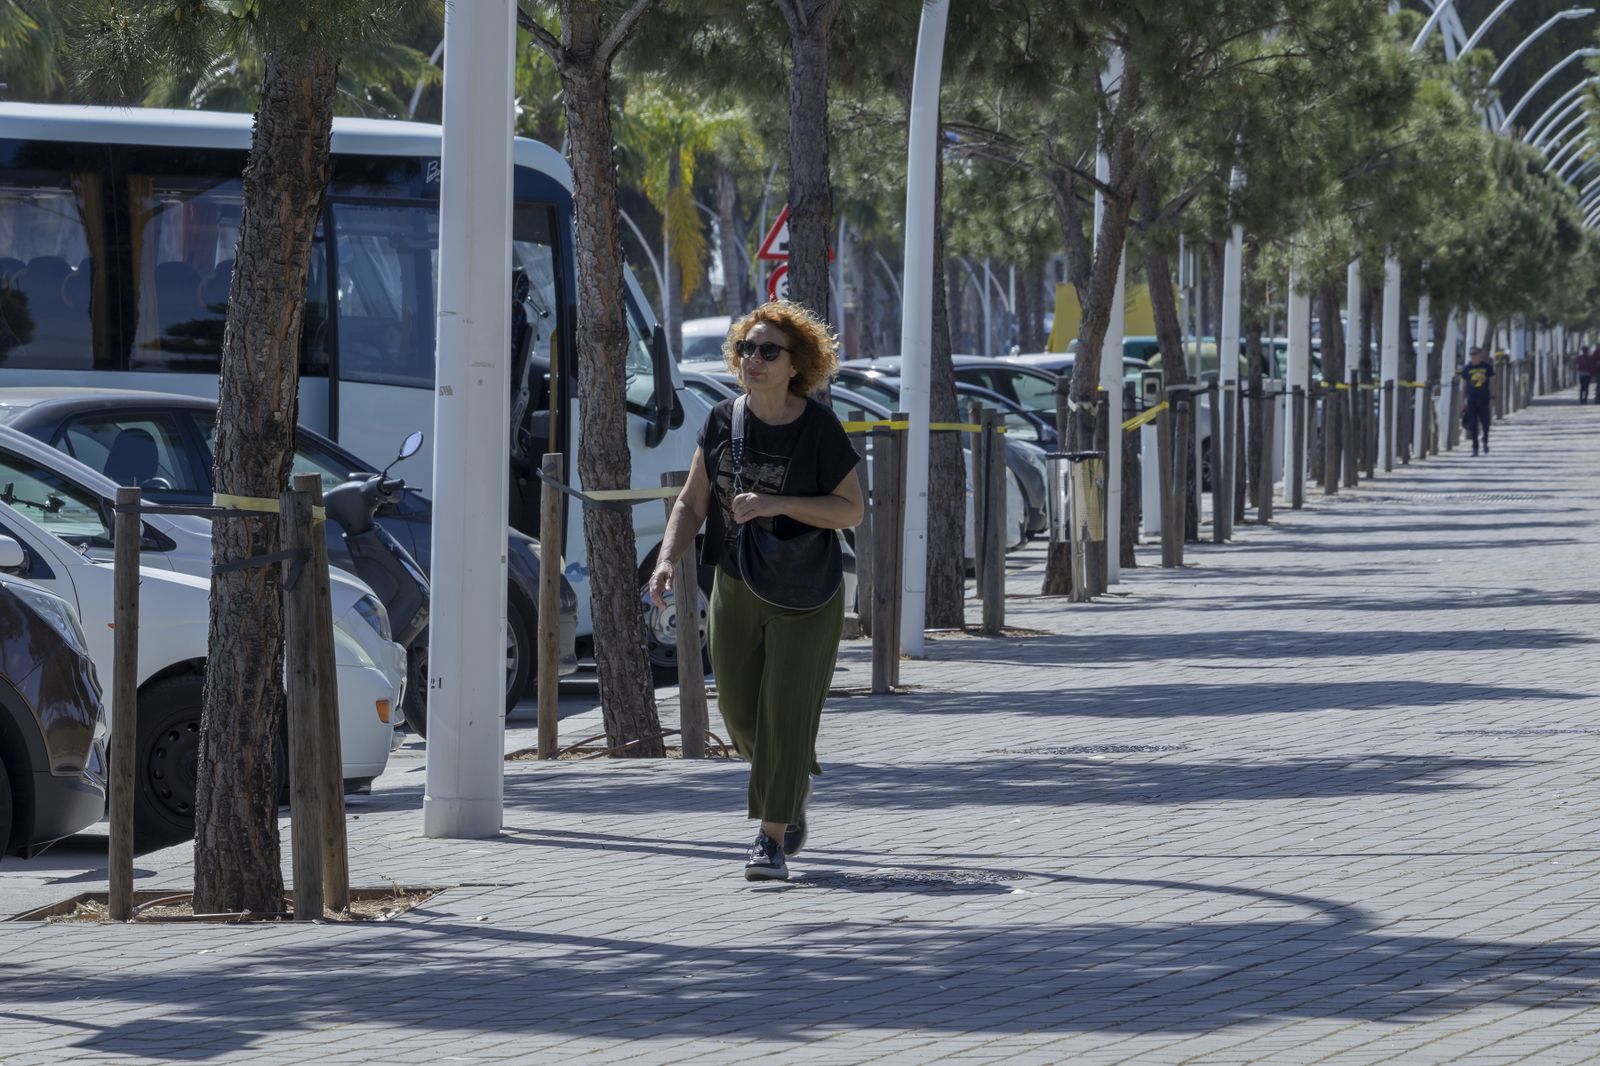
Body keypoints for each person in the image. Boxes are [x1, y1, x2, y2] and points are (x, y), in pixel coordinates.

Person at [649, 301, 863, 882]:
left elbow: (852, 510)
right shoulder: (723, 419)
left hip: (806, 594)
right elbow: (693, 502)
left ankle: (769, 839)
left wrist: (777, 504)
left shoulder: (818, 427)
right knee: (741, 712)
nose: (755, 360)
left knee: (787, 714)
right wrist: (668, 559)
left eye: (770, 351)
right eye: (747, 348)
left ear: (798, 364)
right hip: (736, 584)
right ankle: (786, 786)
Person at [1459, 346, 1495, 456]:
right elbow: (1465, 384)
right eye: (1472, 354)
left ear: (1480, 355)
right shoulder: (1467, 368)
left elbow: (1493, 381)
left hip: (1484, 399)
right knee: (1473, 424)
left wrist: (1493, 396)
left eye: (1475, 354)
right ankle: (1475, 447)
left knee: (1486, 423)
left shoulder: (1486, 367)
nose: (1473, 356)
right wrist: (1462, 400)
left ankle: (1485, 440)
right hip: (1471, 400)